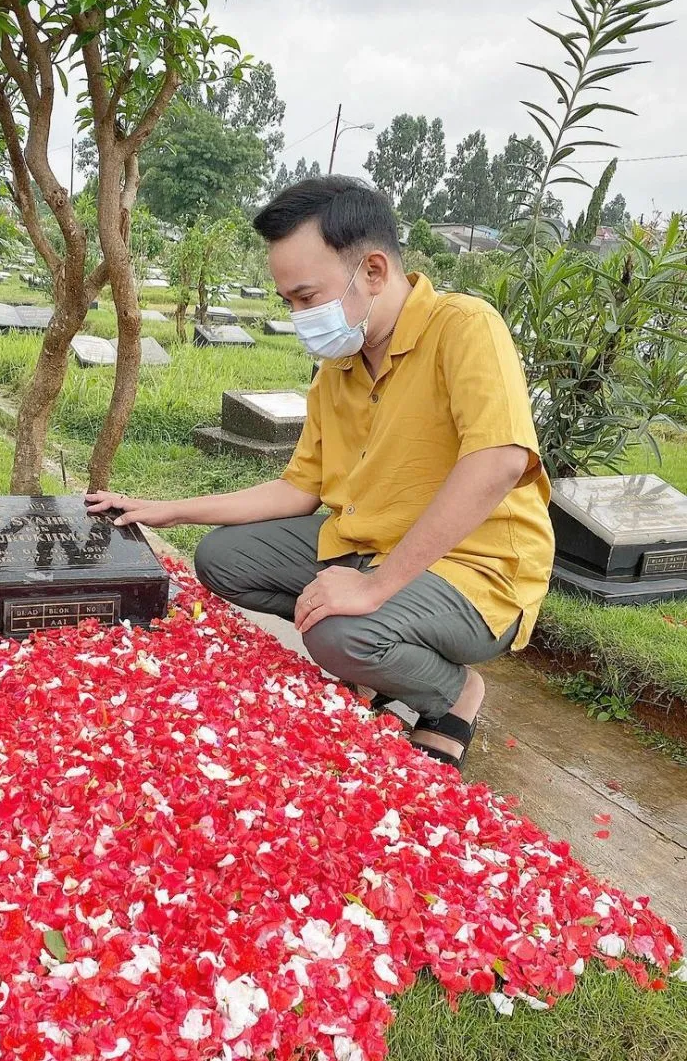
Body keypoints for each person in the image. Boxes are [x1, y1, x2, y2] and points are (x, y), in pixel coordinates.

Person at [86, 176, 554, 771]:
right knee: (222, 558)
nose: (300, 316)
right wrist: (166, 510)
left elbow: (499, 461)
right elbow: (297, 489)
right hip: (368, 545)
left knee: (336, 637)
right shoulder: (341, 367)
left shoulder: (463, 327)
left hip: (476, 564)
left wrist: (374, 589)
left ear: (375, 271)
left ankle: (452, 692)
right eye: (289, 302)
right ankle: (381, 646)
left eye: (308, 297)